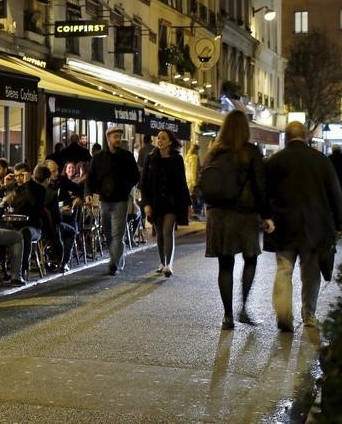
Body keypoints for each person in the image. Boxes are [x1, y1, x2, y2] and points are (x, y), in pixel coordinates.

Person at [265, 122, 342, 332]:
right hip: (315, 227)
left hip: (283, 225)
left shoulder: (275, 161)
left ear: (287, 138)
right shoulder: (321, 160)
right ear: (305, 137)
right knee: (311, 273)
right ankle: (309, 314)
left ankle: (283, 313)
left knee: (284, 269)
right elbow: (335, 193)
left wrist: (266, 217)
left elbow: (263, 193)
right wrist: (339, 223)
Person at [203, 110, 274, 330]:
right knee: (250, 259)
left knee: (225, 266)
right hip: (244, 214)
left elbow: (202, 182)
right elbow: (261, 186)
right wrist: (267, 215)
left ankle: (227, 316)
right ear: (245, 129)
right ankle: (243, 307)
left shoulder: (213, 152)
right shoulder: (250, 152)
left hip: (218, 215)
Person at [86, 126, 140, 275]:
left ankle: (113, 263)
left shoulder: (127, 156)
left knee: (118, 234)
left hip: (121, 201)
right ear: (108, 138)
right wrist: (89, 194)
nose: (118, 139)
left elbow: (135, 176)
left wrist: (125, 187)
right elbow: (90, 178)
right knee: (108, 233)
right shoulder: (98, 157)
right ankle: (117, 259)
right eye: (115, 136)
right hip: (104, 200)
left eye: (119, 136)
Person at [140, 129, 191, 277]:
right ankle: (162, 262)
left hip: (171, 202)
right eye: (158, 138)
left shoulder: (177, 159)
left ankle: (169, 264)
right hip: (155, 202)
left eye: (163, 138)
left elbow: (182, 182)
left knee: (168, 231)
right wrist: (146, 204)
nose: (160, 140)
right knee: (160, 234)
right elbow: (144, 183)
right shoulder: (150, 159)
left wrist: (187, 204)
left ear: (170, 141)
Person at [4, 165, 45, 282]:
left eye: (21, 175)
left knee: (24, 233)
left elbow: (34, 204)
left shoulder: (38, 189)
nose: (18, 179)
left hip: (33, 228)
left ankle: (21, 270)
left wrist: (27, 184)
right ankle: (1, 269)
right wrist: (4, 186)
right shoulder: (14, 188)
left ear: (29, 175)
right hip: (13, 225)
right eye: (16, 175)